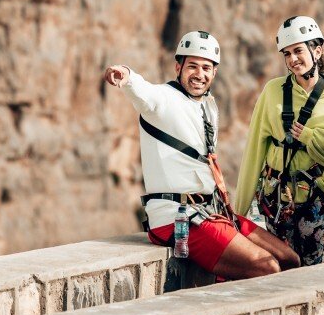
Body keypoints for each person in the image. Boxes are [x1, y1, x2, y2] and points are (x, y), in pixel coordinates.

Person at [104, 30, 301, 279]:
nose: (199, 74)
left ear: (214, 72)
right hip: (177, 217)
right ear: (178, 67)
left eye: (206, 68)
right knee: (266, 266)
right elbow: (144, 91)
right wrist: (127, 75)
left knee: (290, 260)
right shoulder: (163, 99)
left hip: (212, 211)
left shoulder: (208, 105)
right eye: (192, 66)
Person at [235, 16, 324, 267]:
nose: (293, 60)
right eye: (287, 54)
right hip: (277, 201)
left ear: (317, 50)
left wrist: (311, 137)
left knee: (311, 269)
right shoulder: (272, 91)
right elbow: (254, 151)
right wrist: (239, 211)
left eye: (298, 51)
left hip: (318, 203)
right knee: (279, 267)